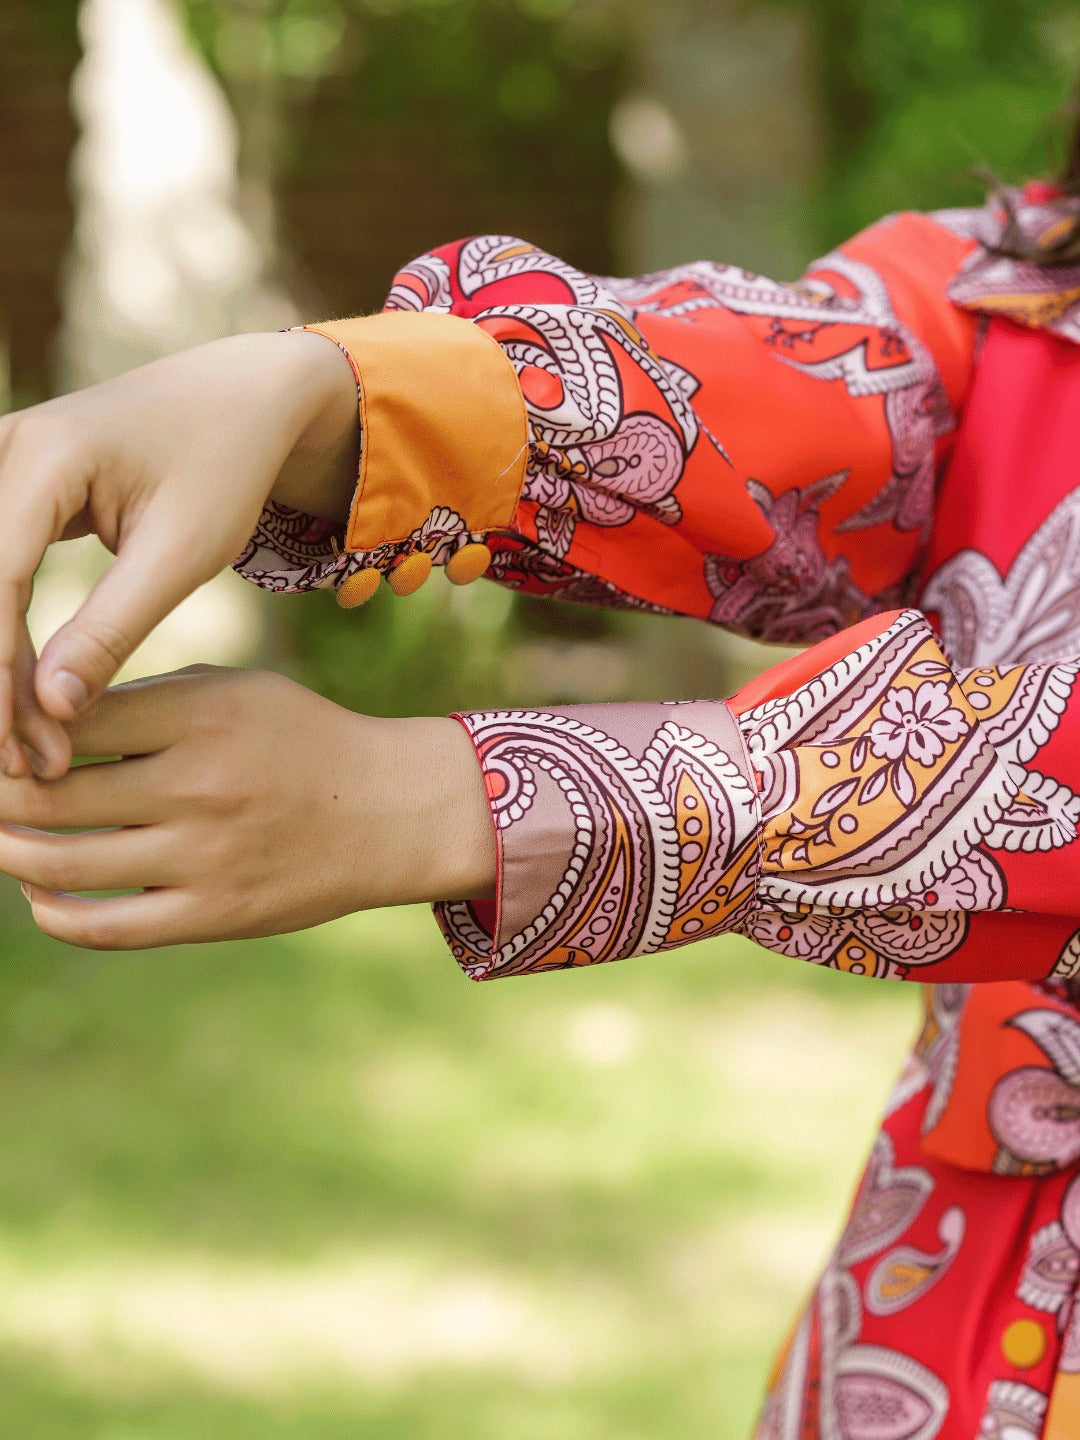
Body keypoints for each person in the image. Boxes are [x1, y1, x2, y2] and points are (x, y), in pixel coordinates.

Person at [2, 125, 1080, 1440]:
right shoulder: (1035, 284)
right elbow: (818, 393)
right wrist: (330, 398)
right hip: (945, 1298)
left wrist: (450, 800)